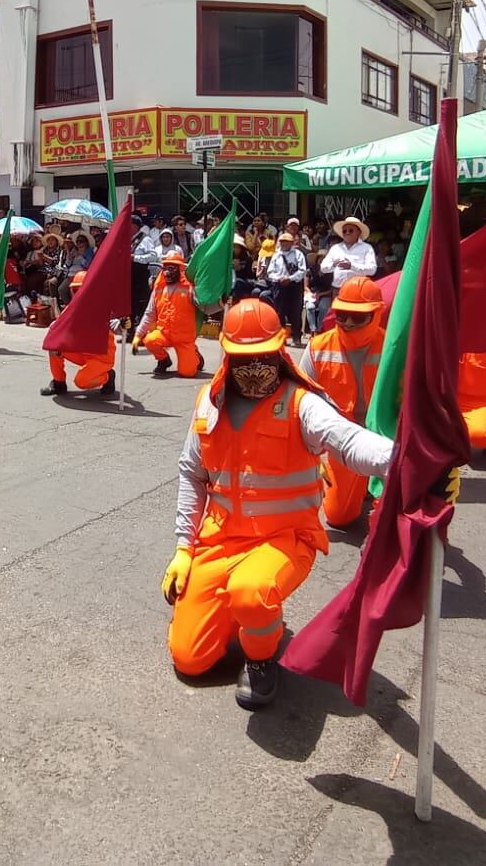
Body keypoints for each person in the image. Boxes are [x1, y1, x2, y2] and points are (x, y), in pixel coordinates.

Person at [162, 299, 421, 711]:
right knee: (190, 659)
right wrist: (182, 548)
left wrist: (410, 461)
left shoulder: (302, 403)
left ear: (280, 350)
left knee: (252, 591)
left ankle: (261, 657)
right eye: (243, 358)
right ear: (226, 352)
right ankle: (243, 615)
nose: (254, 367)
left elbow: (348, 440)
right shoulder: (209, 403)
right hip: (221, 539)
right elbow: (192, 473)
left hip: (284, 539)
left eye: (263, 357)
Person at [302, 276, 386, 527]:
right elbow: (301, 401)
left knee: (391, 522)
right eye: (342, 315)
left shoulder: (395, 347)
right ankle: (353, 488)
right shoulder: (318, 346)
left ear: (377, 314)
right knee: (339, 517)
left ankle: (374, 490)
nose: (348, 322)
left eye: (358, 317)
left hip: (386, 437)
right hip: (343, 439)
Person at [40, 269, 118, 399]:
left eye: (82, 290)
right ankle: (58, 382)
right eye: (76, 291)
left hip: (101, 357)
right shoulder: (71, 309)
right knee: (54, 347)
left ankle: (108, 376)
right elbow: (58, 325)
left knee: (81, 382)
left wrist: (122, 324)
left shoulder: (101, 308)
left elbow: (114, 323)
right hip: (82, 352)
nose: (79, 294)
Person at [134, 249, 203, 378]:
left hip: (184, 338)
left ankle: (194, 354)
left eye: (171, 268)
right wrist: (138, 335)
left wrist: (222, 301)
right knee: (150, 340)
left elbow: (204, 304)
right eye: (165, 267)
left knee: (187, 372)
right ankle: (164, 360)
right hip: (164, 334)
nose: (167, 272)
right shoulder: (158, 289)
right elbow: (149, 314)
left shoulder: (190, 289)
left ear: (179, 269)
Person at [266, 230, 308, 347]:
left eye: (287, 242)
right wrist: (279, 278)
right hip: (279, 285)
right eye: (282, 242)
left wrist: (290, 278)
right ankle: (281, 338)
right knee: (279, 312)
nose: (284, 244)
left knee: (295, 312)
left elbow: (302, 270)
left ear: (292, 242)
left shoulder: (298, 254)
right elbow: (270, 272)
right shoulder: (276, 255)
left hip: (294, 286)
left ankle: (296, 337)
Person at [322, 216, 376, 290]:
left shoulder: (367, 248)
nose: (347, 233)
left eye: (351, 230)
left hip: (358, 289)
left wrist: (351, 266)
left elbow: (372, 270)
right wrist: (334, 265)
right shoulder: (335, 248)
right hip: (338, 289)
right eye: (344, 231)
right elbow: (323, 268)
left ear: (359, 232)